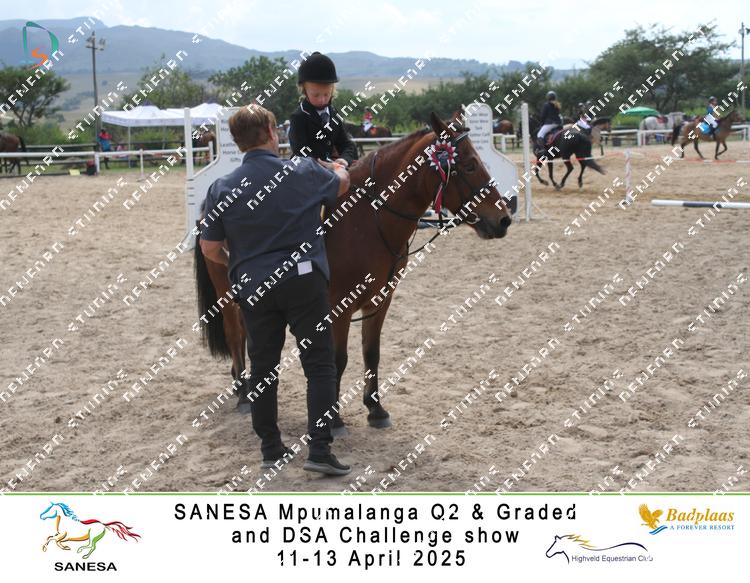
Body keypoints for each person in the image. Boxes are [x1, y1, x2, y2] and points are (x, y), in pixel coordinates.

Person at [199, 104, 352, 476]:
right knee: (319, 365)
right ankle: (319, 449)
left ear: (237, 142)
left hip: (254, 285)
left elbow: (209, 248)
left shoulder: (221, 187)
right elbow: (342, 185)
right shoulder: (302, 171)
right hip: (303, 279)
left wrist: (240, 263)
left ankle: (271, 448)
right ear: (271, 133)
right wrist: (339, 166)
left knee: (263, 368)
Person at [288, 51, 358, 168]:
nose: (322, 100)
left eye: (326, 94)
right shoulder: (298, 117)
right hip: (307, 170)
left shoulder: (334, 113)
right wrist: (324, 165)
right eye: (316, 95)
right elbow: (300, 151)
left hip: (333, 167)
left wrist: (344, 159)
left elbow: (346, 144)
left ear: (332, 89)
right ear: (304, 90)